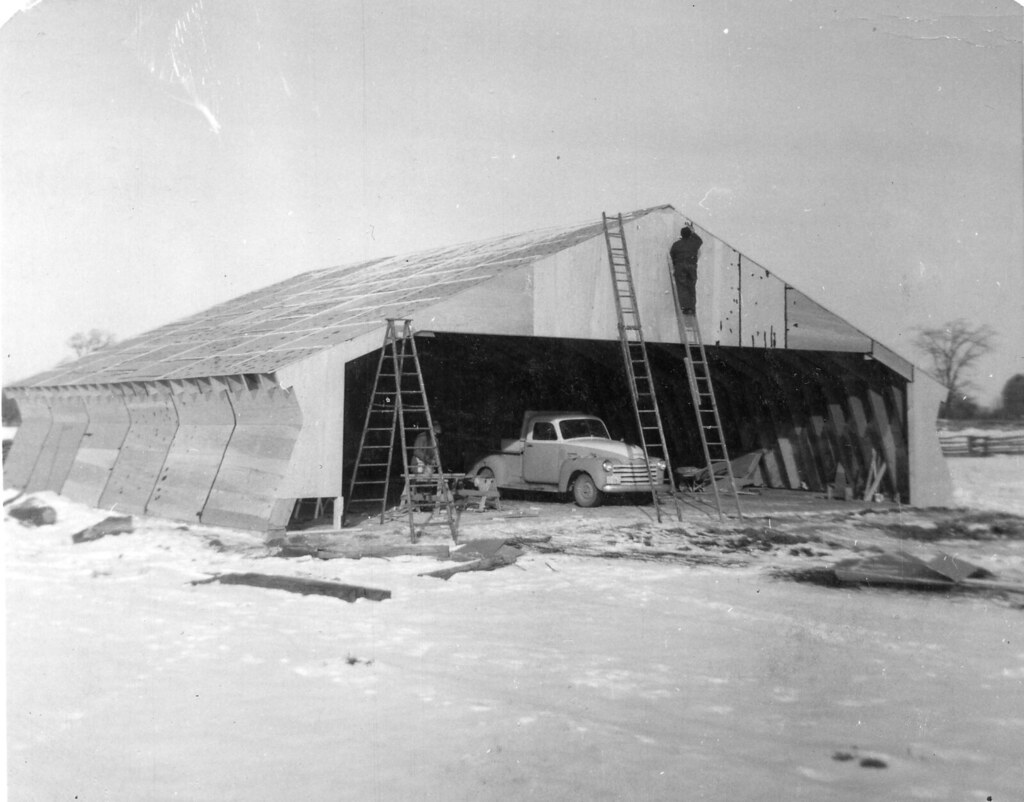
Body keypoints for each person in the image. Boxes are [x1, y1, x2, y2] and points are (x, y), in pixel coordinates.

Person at [669, 224, 703, 315]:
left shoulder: (676, 244)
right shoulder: (694, 243)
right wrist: (693, 232)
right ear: (689, 234)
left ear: (681, 234)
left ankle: (686, 307)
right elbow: (700, 241)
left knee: (682, 287)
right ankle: (692, 307)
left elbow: (672, 254)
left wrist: (676, 264)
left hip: (680, 267)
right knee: (691, 286)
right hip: (691, 266)